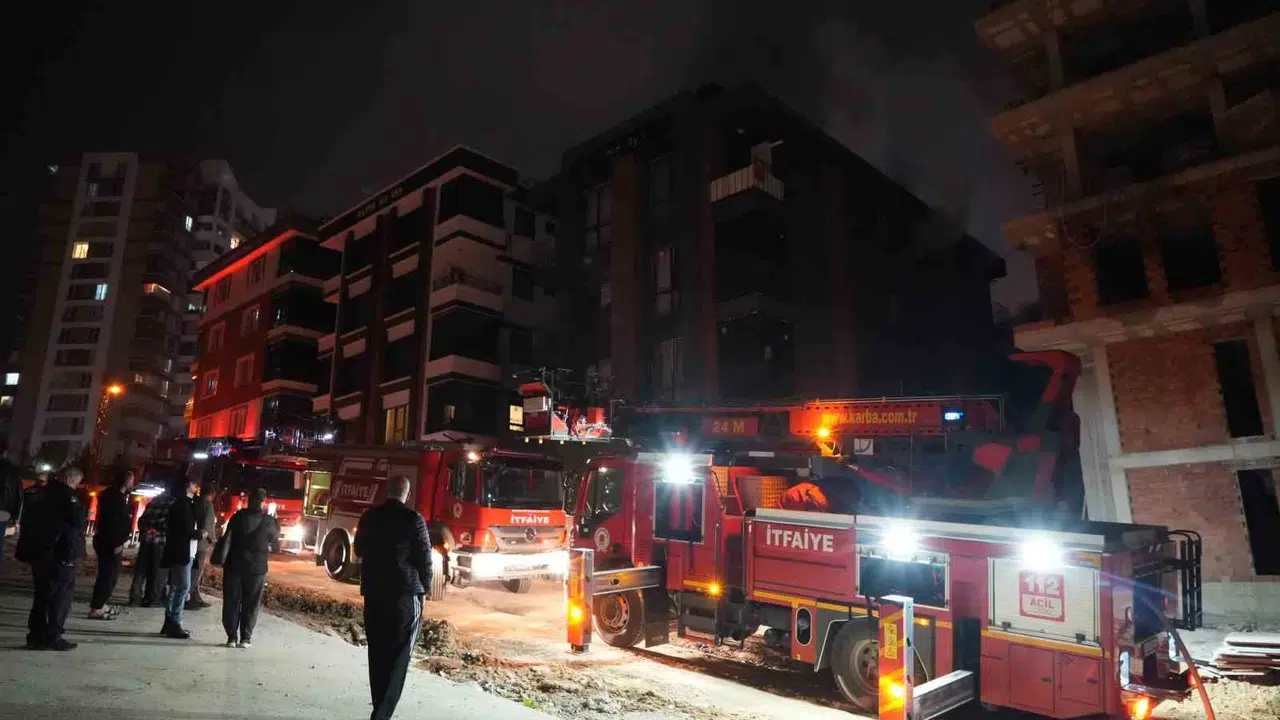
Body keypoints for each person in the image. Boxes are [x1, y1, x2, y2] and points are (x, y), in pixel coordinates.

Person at [355, 475, 431, 720]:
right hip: (405, 595)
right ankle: (382, 715)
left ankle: (379, 707)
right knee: (399, 657)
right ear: (407, 494)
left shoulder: (369, 517)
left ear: (387, 491)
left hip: (374, 594)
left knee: (377, 653)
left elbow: (358, 550)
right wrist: (425, 590)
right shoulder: (413, 519)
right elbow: (424, 559)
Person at [16, 468, 86, 650]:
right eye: (76, 483)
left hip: (39, 553)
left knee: (41, 596)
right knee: (59, 597)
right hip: (60, 553)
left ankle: (36, 635)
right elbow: (78, 520)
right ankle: (52, 636)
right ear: (69, 479)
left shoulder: (40, 493)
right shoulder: (66, 497)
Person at [217, 487, 277, 648]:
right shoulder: (269, 521)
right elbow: (276, 546)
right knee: (251, 603)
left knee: (231, 601)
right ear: (263, 501)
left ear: (249, 500)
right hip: (257, 569)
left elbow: (227, 538)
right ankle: (245, 638)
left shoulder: (237, 518)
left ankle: (231, 638)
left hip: (234, 565)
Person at [88, 468, 135, 619]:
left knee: (107, 574)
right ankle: (97, 608)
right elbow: (115, 522)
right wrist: (117, 541)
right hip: (111, 542)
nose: (133, 483)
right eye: (132, 480)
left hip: (105, 539)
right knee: (109, 576)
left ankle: (101, 604)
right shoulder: (116, 498)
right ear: (126, 481)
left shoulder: (111, 495)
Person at [160, 474, 200, 639]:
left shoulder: (180, 504)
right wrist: (200, 533)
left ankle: (169, 622)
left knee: (176, 587)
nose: (196, 486)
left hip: (180, 550)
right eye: (193, 483)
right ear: (187, 486)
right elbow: (187, 530)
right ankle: (175, 623)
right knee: (182, 587)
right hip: (184, 551)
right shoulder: (184, 505)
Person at [130, 484, 171, 607]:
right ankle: (153, 599)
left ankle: (134, 598)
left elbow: (141, 520)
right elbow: (169, 523)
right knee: (158, 572)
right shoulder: (173, 503)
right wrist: (158, 530)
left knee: (141, 570)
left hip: (146, 540)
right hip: (160, 542)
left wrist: (147, 530)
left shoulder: (154, 502)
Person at [186, 484, 216, 610]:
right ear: (213, 495)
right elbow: (207, 527)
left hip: (189, 541)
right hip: (200, 544)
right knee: (196, 572)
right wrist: (213, 541)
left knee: (190, 569)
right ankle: (191, 598)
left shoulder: (193, 501)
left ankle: (195, 596)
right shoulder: (208, 506)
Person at [0, 445, 24, 574]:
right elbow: (18, 494)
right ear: (5, 453)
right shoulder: (12, 470)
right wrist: (15, 516)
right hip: (3, 512)